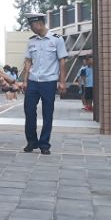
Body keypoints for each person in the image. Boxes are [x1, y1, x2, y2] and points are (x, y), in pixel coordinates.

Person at [21, 13, 68, 154]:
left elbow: (62, 61)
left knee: (48, 114)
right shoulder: (31, 41)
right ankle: (31, 142)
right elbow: (28, 61)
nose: (31, 28)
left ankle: (44, 144)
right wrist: (24, 80)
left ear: (40, 23)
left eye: (32, 25)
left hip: (49, 81)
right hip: (33, 81)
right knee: (29, 111)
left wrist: (62, 82)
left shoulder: (56, 39)